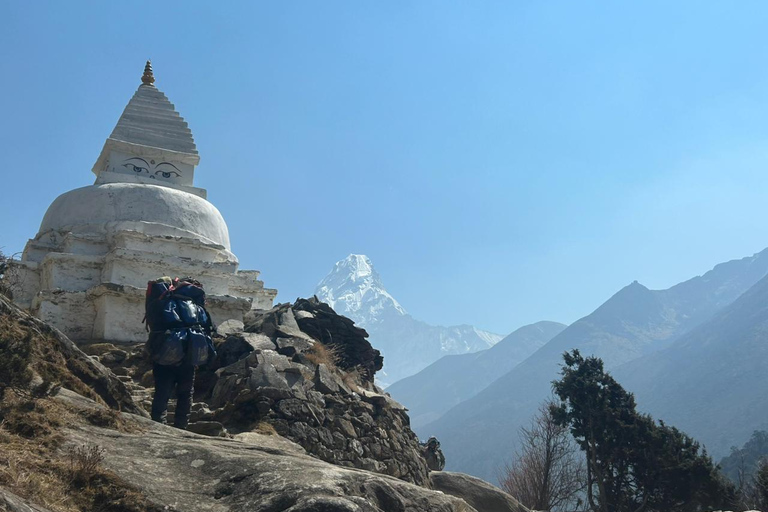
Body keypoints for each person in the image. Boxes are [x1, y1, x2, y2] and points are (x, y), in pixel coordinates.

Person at [145, 277, 214, 429]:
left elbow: (154, 324)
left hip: (165, 355)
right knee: (186, 393)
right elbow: (208, 328)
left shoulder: (164, 302)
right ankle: (182, 427)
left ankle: (158, 425)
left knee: (162, 391)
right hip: (189, 355)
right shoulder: (195, 307)